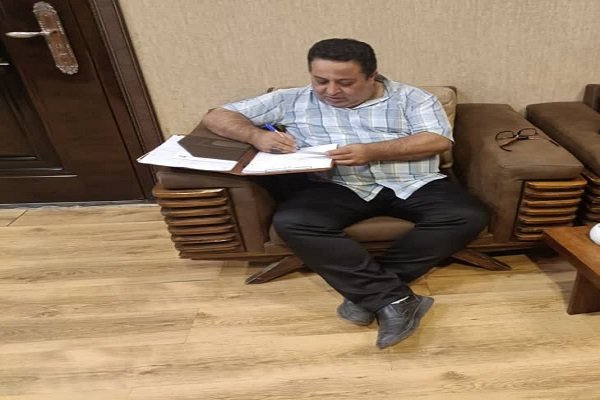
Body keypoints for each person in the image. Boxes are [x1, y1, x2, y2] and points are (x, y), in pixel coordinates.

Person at [201, 38, 488, 349]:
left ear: (372, 75)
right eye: (320, 81)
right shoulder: (290, 99)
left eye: (345, 83)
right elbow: (216, 115)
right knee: (293, 221)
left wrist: (372, 151)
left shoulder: (413, 98)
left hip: (413, 180)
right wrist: (255, 135)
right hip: (337, 185)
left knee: (466, 215)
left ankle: (371, 294)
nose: (331, 91)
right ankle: (395, 300)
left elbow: (437, 140)